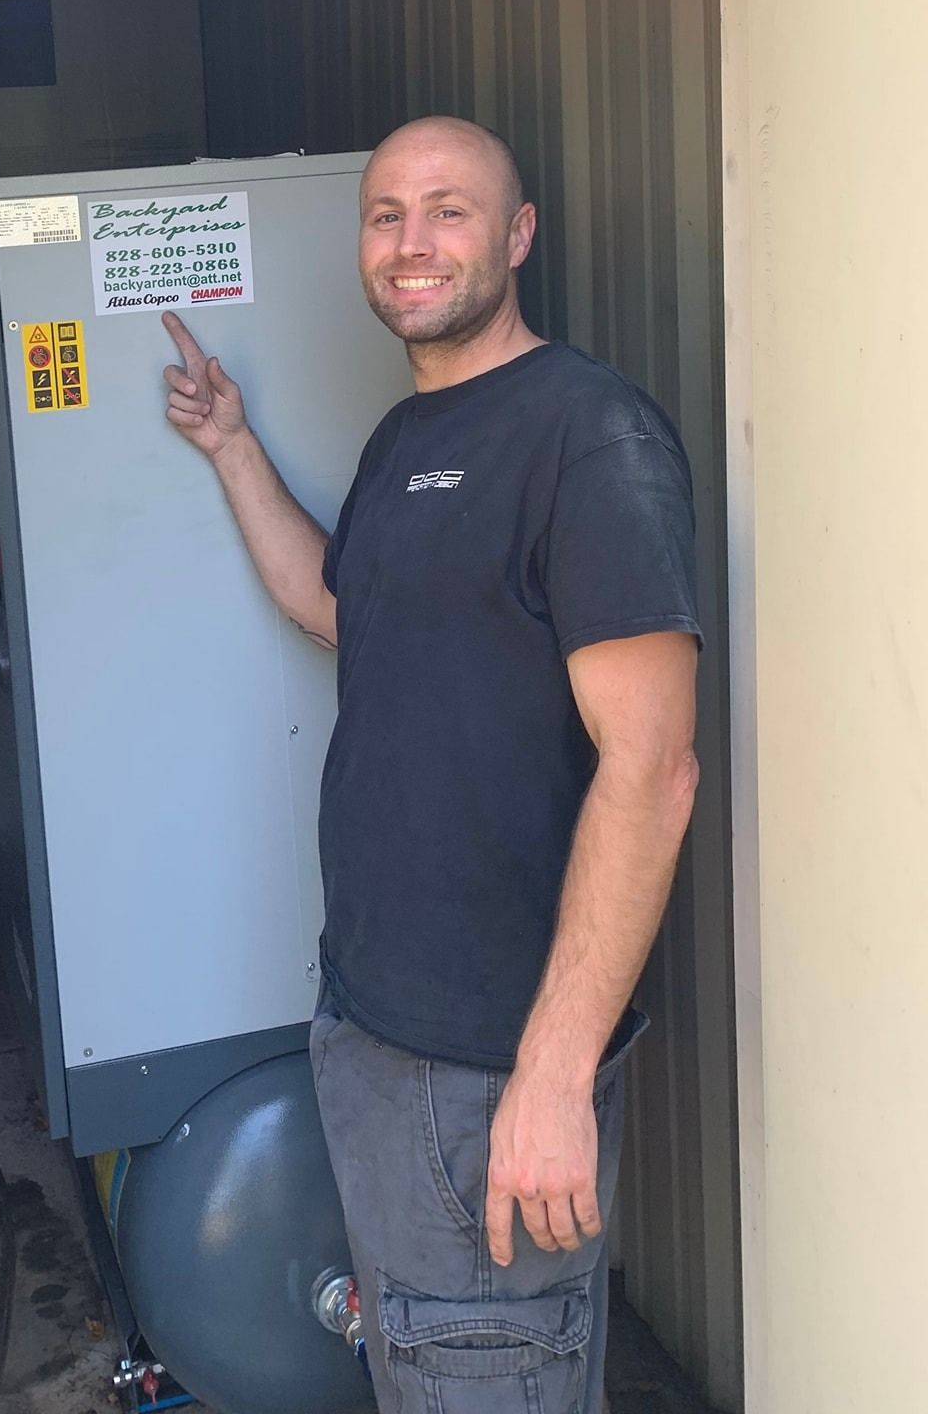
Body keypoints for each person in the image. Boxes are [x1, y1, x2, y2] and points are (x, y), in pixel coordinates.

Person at [161, 117, 700, 1414]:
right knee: (429, 1366)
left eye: (451, 211)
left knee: (486, 1374)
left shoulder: (588, 437)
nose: (413, 243)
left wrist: (553, 1078)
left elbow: (653, 768)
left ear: (517, 238)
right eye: (387, 213)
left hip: (492, 1063)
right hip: (378, 1033)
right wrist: (234, 447)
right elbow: (340, 607)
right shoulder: (408, 442)